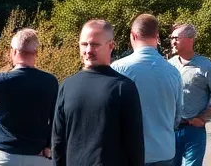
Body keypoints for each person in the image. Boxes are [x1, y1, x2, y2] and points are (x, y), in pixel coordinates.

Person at [0, 28, 60, 165]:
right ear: (36, 53)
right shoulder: (50, 82)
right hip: (39, 157)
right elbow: (56, 118)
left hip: (4, 157)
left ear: (13, 51)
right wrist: (49, 145)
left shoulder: (1, 81)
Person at [52, 19, 145, 166]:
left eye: (95, 44)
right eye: (84, 44)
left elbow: (134, 143)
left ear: (111, 46)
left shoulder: (123, 87)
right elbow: (58, 140)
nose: (88, 50)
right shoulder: (67, 86)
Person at [111, 14, 184, 166]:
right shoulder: (173, 72)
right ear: (157, 37)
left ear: (133, 35)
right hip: (164, 150)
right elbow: (177, 116)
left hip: (128, 152)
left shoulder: (118, 69)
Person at [169, 23, 211, 166]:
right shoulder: (168, 65)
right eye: (171, 38)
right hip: (171, 129)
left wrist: (202, 117)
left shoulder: (206, 67)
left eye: (176, 38)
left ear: (190, 40)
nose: (172, 41)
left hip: (194, 129)